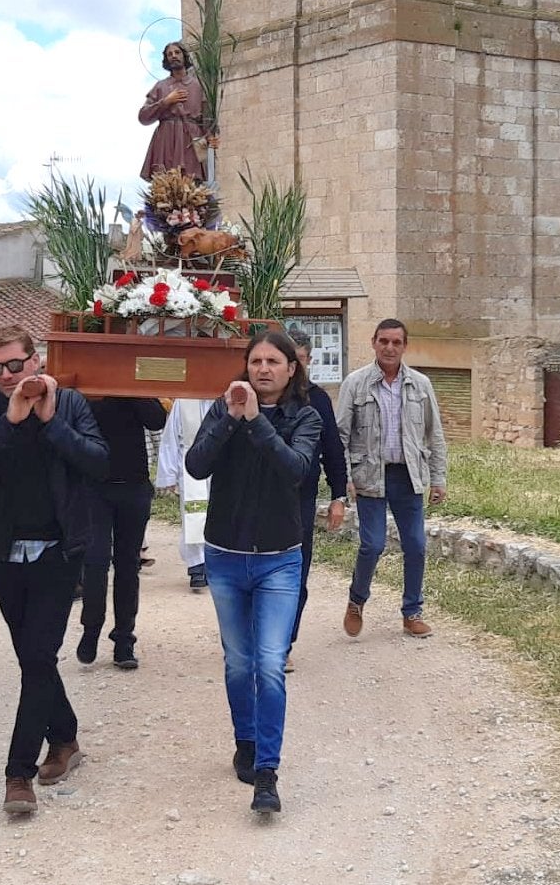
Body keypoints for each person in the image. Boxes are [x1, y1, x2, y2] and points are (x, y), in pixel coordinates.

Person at [0, 324, 108, 815]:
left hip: (58, 553)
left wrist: (52, 421)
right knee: (33, 658)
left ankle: (19, 775)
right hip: (2, 553)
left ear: (36, 360)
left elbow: (99, 462)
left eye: (16, 365)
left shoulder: (73, 404)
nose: (8, 376)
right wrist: (9, 423)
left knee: (37, 656)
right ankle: (65, 737)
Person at [186, 330, 321, 815]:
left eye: (273, 361)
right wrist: (229, 419)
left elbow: (297, 470)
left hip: (279, 560)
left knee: (269, 663)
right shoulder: (222, 411)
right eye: (255, 360)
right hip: (224, 555)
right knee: (239, 662)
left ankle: (267, 772)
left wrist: (256, 421)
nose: (263, 369)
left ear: (291, 369)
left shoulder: (305, 416)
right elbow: (196, 465)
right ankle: (244, 739)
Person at [335, 319, 449, 639]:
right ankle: (356, 601)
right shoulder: (356, 383)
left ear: (404, 346)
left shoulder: (420, 385)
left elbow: (434, 435)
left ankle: (412, 612)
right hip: (370, 474)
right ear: (373, 343)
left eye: (396, 342)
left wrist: (438, 478)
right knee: (372, 544)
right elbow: (340, 435)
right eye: (383, 341)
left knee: (415, 544)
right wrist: (344, 477)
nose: (389, 348)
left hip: (408, 475)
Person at [77, 397, 166, 670]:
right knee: (95, 562)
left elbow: (156, 419)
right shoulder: (87, 387)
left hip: (134, 485)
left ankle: (124, 640)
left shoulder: (134, 383)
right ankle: (91, 629)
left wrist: (133, 389)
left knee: (128, 565)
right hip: (94, 486)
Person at [284, 329, 347, 672]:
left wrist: (338, 495)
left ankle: (284, 643)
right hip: (261, 497)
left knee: (297, 570)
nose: (295, 368)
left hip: (302, 499)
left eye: (301, 360)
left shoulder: (318, 399)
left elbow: (333, 452)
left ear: (307, 360)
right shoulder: (265, 398)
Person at [156, 398, 216, 589]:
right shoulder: (184, 400)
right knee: (193, 513)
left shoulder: (226, 396)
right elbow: (171, 438)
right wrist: (168, 474)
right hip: (191, 462)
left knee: (220, 513)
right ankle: (197, 565)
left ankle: (216, 563)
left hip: (221, 461)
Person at [138, 41, 217, 182]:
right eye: (169, 54)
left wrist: (211, 137)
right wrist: (166, 101)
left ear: (184, 56)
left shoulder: (198, 86)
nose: (173, 56)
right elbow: (143, 116)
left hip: (191, 139)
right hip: (167, 139)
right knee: (166, 183)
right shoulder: (161, 86)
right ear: (166, 60)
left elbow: (206, 119)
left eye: (177, 52)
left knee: (193, 183)